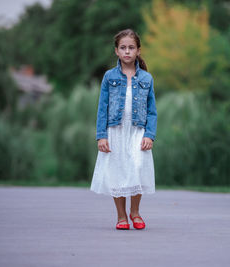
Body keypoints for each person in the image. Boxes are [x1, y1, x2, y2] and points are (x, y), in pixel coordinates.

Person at [90, 29, 157, 230]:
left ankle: (135, 212)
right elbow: (102, 107)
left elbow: (152, 110)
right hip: (115, 131)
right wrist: (101, 136)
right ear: (116, 51)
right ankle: (121, 216)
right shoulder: (109, 77)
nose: (127, 51)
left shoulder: (146, 78)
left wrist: (149, 135)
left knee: (137, 167)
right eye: (123, 48)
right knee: (117, 172)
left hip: (137, 131)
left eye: (131, 47)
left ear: (138, 50)